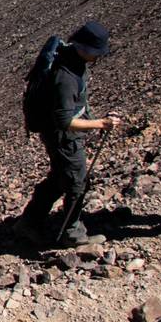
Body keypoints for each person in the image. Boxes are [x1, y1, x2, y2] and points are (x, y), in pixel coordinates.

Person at [15, 22, 123, 248]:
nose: (98, 57)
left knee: (59, 177)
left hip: (58, 135)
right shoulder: (66, 77)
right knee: (77, 182)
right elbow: (64, 121)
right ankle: (72, 232)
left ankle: (30, 222)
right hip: (63, 138)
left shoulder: (71, 61)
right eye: (96, 52)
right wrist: (101, 123)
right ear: (85, 48)